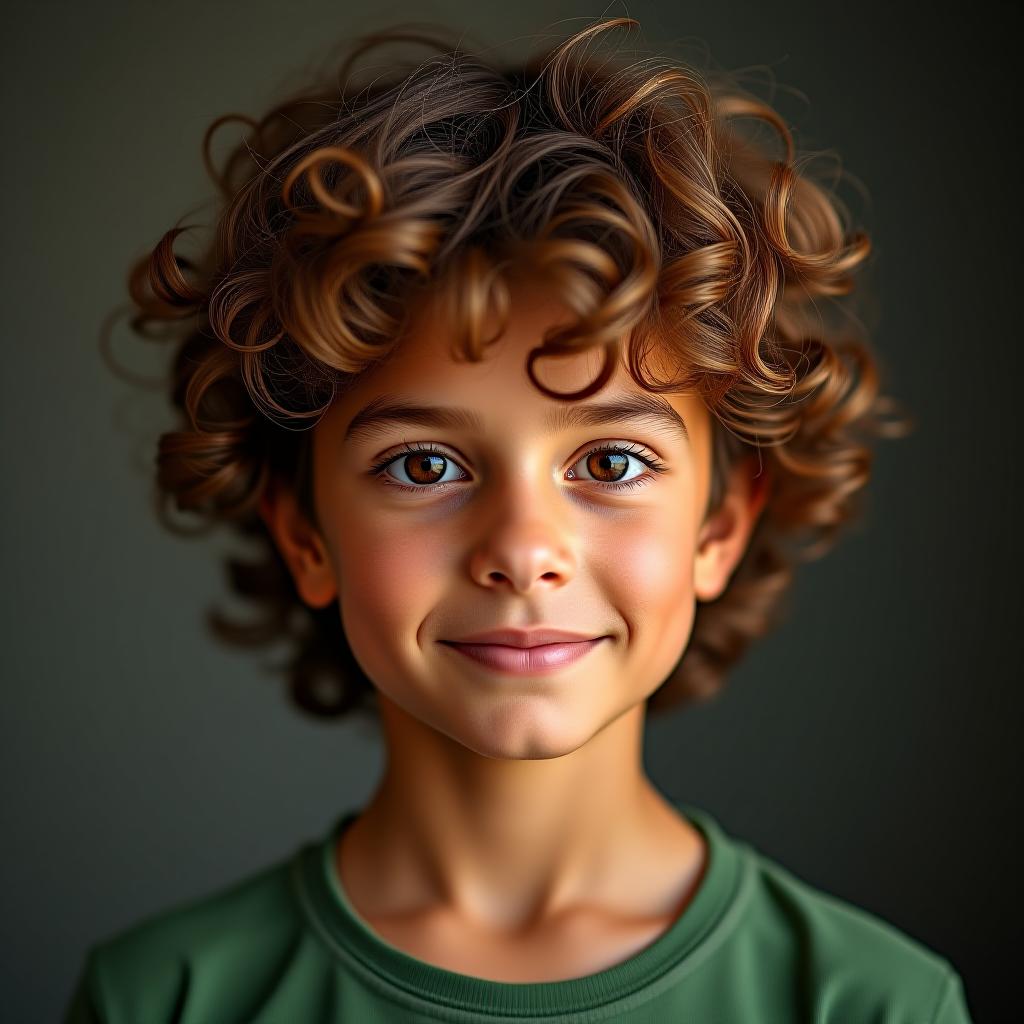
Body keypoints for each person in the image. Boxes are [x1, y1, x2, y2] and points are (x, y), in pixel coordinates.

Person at [66, 16, 973, 1023]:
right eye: (424, 463)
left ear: (719, 527)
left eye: (611, 460)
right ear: (304, 533)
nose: (523, 550)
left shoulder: (875, 1003)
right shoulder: (162, 998)